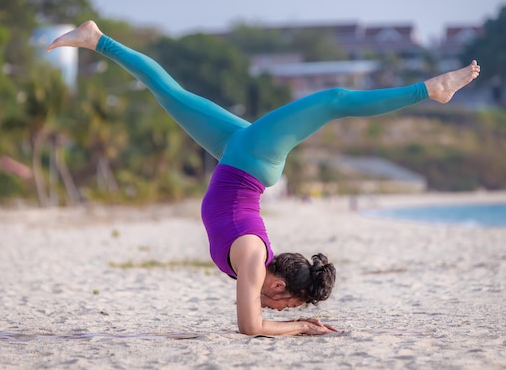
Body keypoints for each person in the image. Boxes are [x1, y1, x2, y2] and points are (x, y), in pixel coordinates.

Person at [47, 21, 480, 336]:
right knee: (333, 99)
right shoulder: (254, 260)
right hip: (252, 160)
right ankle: (430, 89)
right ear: (278, 283)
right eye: (286, 302)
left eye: (285, 308)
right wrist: (300, 328)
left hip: (237, 155)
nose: (279, 308)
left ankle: (96, 39)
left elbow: (250, 323)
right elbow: (253, 325)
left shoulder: (253, 268)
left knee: (171, 94)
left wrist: (293, 322)